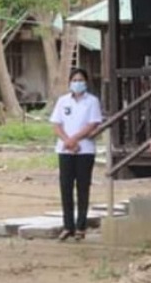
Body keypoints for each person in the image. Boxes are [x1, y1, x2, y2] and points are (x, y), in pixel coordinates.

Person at [49, 68, 102, 241]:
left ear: (86, 82)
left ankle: (81, 226)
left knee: (83, 187)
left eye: (81, 80)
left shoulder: (92, 101)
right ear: (70, 82)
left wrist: (75, 139)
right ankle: (67, 226)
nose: (77, 83)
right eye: (75, 80)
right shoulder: (63, 101)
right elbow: (56, 124)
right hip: (65, 150)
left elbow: (92, 124)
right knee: (65, 187)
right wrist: (67, 141)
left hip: (84, 149)